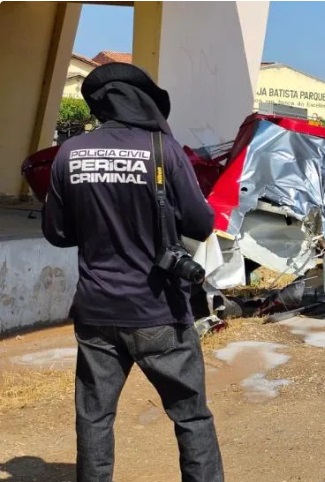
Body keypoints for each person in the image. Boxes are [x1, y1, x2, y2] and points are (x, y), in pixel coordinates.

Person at [41, 62, 224, 482]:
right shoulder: (162, 149)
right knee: (191, 416)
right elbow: (201, 223)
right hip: (158, 311)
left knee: (94, 417)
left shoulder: (70, 153)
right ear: (142, 101)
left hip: (96, 313)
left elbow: (57, 232)